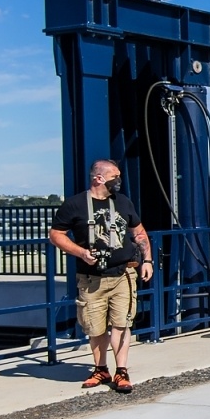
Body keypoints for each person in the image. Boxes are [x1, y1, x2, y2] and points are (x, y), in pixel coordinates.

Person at [48, 159, 155, 392]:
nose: (119, 181)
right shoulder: (75, 205)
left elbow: (138, 232)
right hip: (91, 278)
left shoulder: (123, 202)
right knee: (95, 328)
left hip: (123, 274)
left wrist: (147, 260)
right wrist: (81, 253)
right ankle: (101, 369)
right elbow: (56, 235)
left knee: (121, 323)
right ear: (98, 178)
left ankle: (122, 371)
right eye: (114, 176)